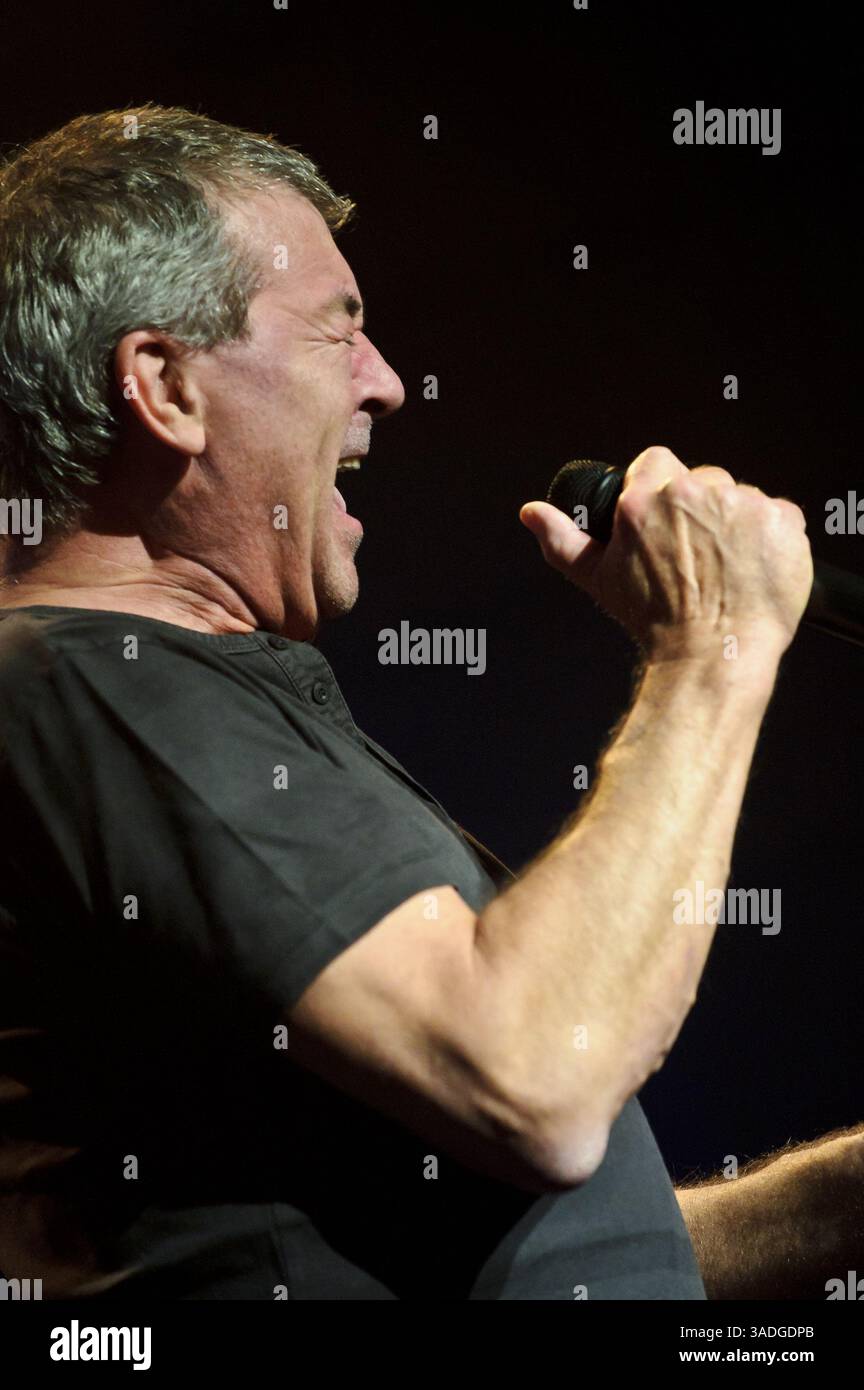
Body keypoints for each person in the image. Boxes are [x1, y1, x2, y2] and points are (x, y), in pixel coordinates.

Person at [0, 105, 858, 1302]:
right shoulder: (92, 678)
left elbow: (545, 1248)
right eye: (335, 333)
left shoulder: (165, 705)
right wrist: (712, 645)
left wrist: (835, 1200)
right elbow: (537, 1081)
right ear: (165, 385)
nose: (389, 385)